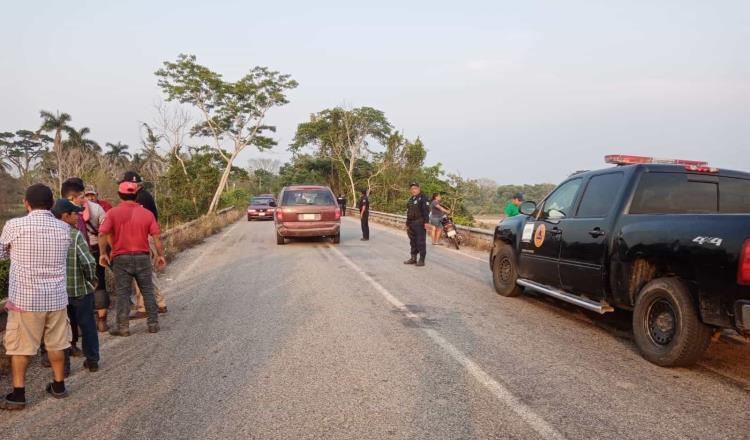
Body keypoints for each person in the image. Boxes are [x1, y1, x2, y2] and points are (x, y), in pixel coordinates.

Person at [0, 184, 73, 410]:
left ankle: (19, 394)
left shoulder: (14, 225)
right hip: (56, 297)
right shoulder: (64, 229)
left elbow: (1, 253)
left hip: (26, 299)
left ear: (25, 203)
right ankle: (58, 386)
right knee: (57, 343)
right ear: (52, 204)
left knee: (21, 347)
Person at [98, 180, 167, 336]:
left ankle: (123, 327)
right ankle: (153, 324)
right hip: (143, 257)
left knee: (122, 293)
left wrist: (103, 253)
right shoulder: (147, 214)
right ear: (136, 195)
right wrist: (160, 255)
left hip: (121, 258)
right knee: (147, 290)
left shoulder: (112, 213)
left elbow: (102, 233)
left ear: (119, 195)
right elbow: (156, 237)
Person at [51, 199, 100, 373]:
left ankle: (63, 367)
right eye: (74, 213)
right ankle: (92, 360)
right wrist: (91, 279)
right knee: (87, 325)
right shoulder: (75, 234)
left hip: (57, 293)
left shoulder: (49, 234)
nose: (78, 216)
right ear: (65, 216)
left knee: (61, 330)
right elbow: (87, 262)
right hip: (79, 290)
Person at [121, 171, 168, 317]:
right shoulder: (145, 195)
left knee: (142, 273)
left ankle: (144, 307)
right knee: (147, 272)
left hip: (144, 237)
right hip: (149, 236)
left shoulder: (139, 198)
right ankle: (159, 303)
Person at [404, 182, 430, 267]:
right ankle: (413, 258)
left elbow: (426, 211)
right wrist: (407, 223)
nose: (413, 190)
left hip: (420, 223)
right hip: (411, 223)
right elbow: (409, 212)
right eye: (412, 189)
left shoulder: (423, 198)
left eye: (415, 188)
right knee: (413, 242)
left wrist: (426, 222)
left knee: (420, 242)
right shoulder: (411, 199)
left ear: (419, 189)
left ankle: (421, 260)